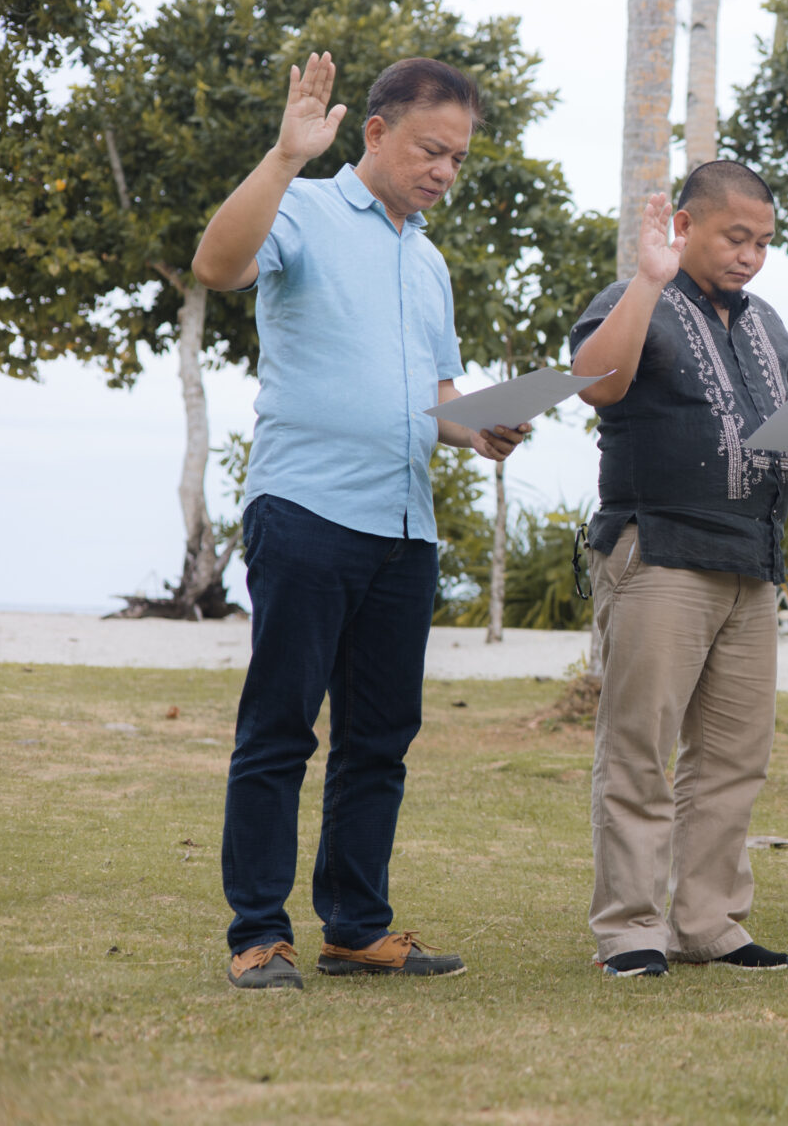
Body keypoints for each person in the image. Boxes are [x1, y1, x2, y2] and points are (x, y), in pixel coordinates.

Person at [193, 54, 530, 990]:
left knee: (380, 741)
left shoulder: (427, 262)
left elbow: (438, 399)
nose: (445, 172)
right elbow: (217, 265)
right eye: (432, 149)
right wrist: (283, 158)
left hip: (404, 528)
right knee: (280, 731)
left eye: (459, 158)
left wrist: (480, 429)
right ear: (375, 133)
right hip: (305, 509)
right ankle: (258, 934)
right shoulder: (300, 207)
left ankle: (355, 926)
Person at [569, 161, 788, 979]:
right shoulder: (633, 300)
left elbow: (772, 425)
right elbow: (598, 382)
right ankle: (629, 928)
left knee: (733, 757)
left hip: (750, 562)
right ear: (684, 227)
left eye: (763, 241)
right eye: (736, 237)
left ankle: (708, 920)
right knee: (639, 748)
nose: (751, 256)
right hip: (656, 550)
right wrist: (649, 284)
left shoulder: (769, 324)